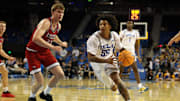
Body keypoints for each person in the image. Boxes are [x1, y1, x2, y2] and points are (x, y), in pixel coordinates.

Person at [26, 3, 68, 101]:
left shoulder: (58, 26)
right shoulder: (46, 22)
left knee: (60, 74)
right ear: (52, 12)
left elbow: (53, 36)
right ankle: (31, 97)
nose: (60, 14)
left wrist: (61, 43)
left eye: (62, 13)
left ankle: (45, 93)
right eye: (58, 12)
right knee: (40, 82)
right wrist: (53, 47)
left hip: (44, 51)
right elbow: (36, 38)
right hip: (33, 52)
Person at [87, 15, 131, 101]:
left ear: (110, 26)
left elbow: (120, 48)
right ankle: (112, 85)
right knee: (113, 87)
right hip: (97, 64)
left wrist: (128, 54)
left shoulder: (114, 35)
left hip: (110, 61)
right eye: (100, 24)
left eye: (104, 24)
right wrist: (105, 60)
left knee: (117, 80)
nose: (102, 26)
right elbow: (90, 57)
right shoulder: (93, 39)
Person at [119, 20, 148, 92]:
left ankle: (140, 86)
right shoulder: (123, 32)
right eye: (128, 23)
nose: (129, 24)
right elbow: (119, 42)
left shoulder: (136, 32)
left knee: (135, 69)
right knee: (120, 70)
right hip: (124, 51)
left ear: (133, 24)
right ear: (126, 24)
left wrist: (138, 55)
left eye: (131, 23)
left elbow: (137, 45)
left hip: (131, 52)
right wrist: (120, 51)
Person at [0, 21, 15, 97]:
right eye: (1, 26)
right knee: (4, 71)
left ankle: (5, 92)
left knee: (5, 72)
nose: (2, 28)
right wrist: (9, 57)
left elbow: (1, 50)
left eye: (4, 26)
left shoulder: (1, 38)